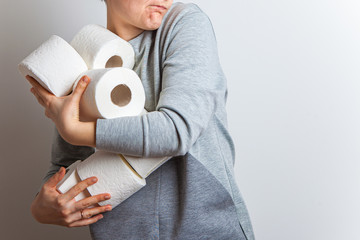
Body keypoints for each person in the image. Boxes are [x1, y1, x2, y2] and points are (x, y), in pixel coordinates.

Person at [27, 0, 255, 239]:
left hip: (205, 231)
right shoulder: (83, 60)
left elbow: (177, 130)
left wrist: (75, 130)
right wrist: (41, 208)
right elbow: (66, 165)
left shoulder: (184, 22)